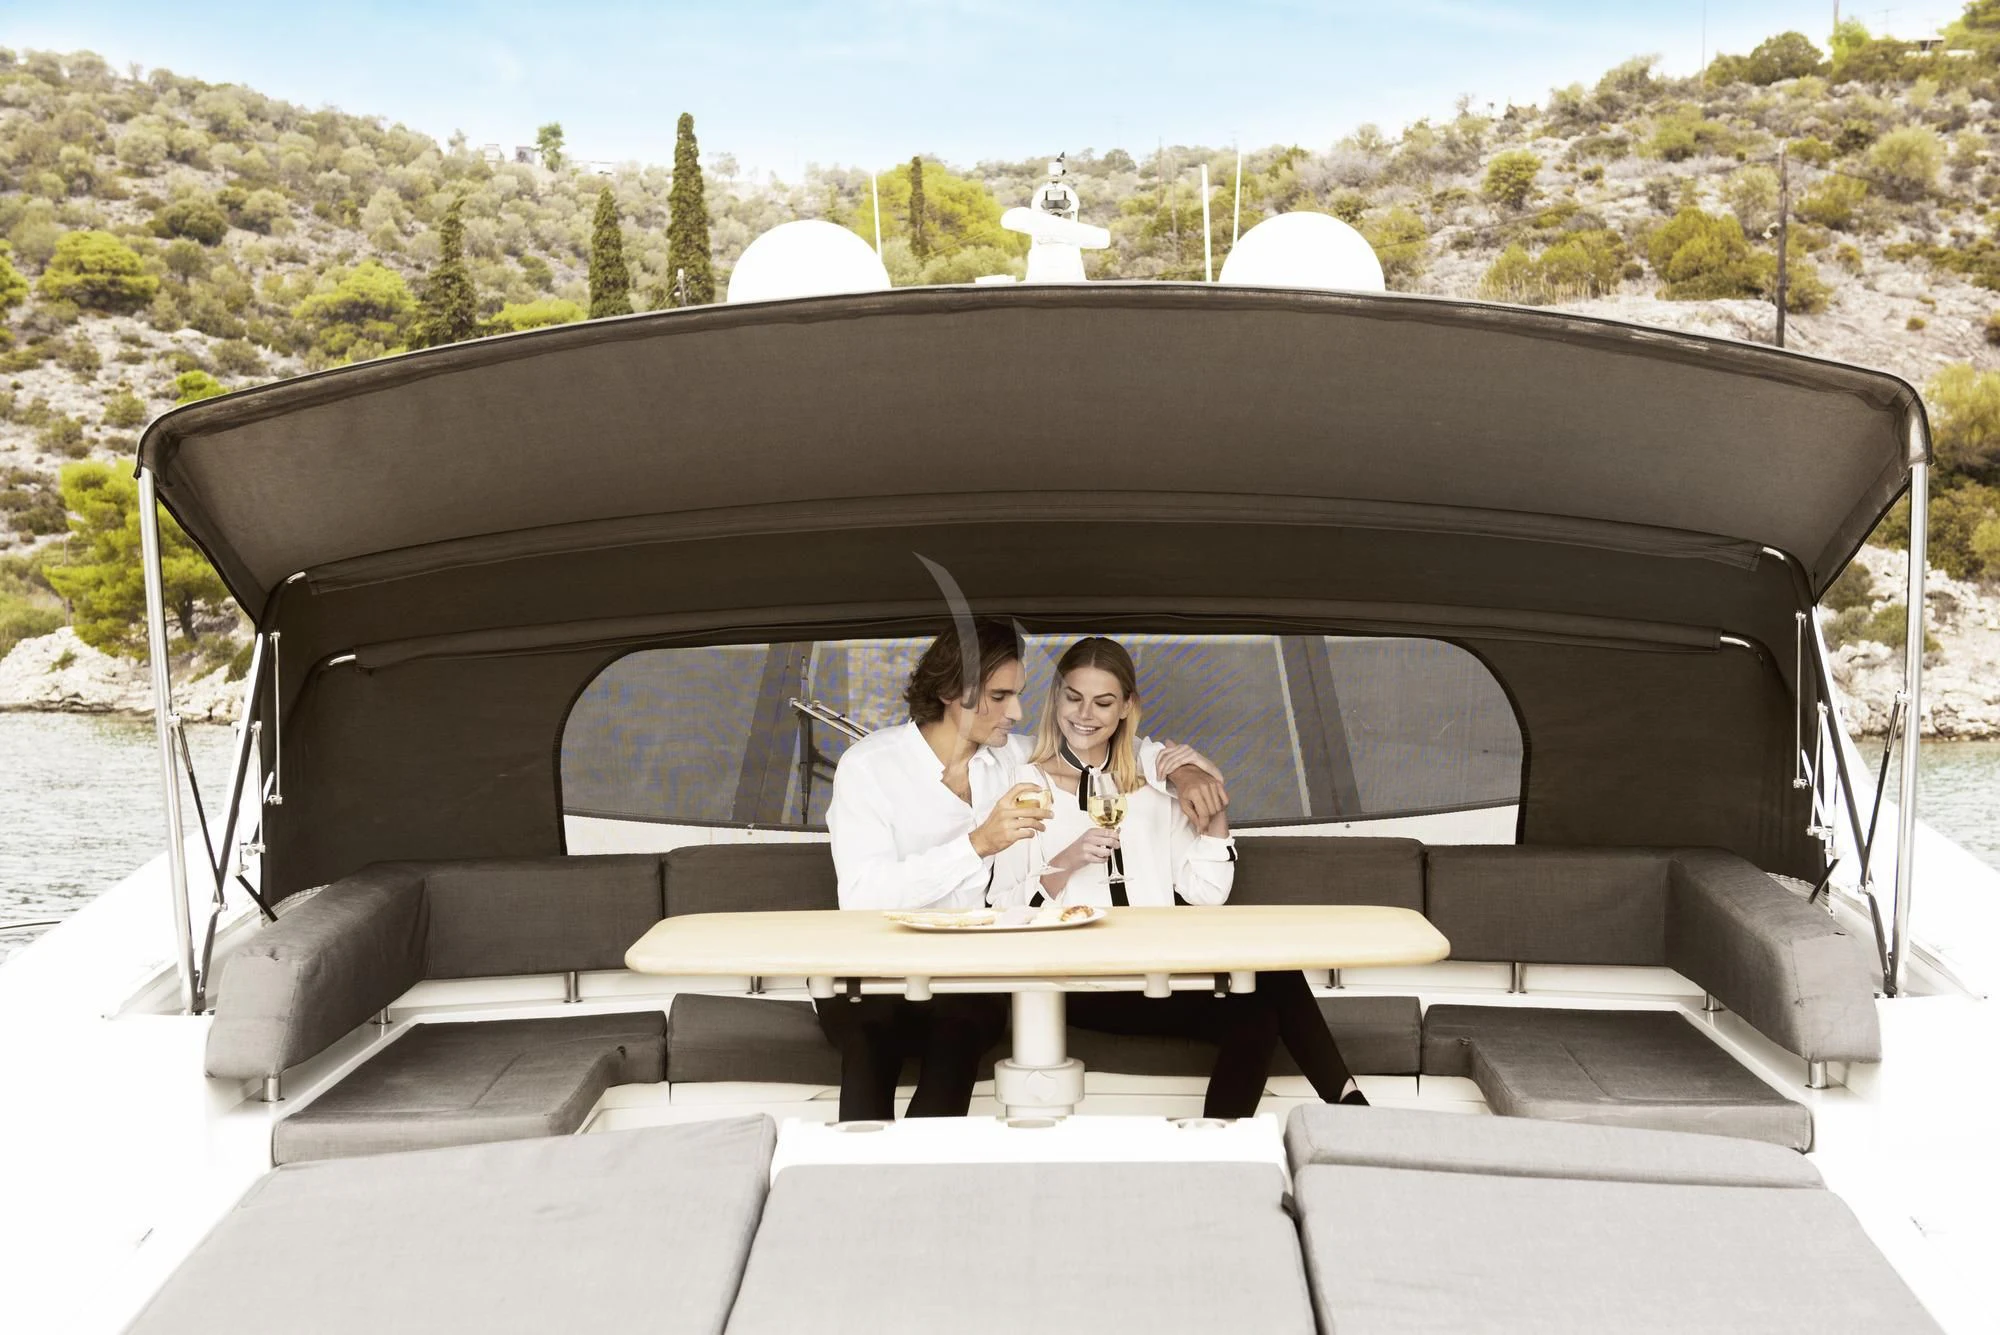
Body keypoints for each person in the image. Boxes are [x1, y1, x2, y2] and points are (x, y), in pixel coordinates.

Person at [823, 619, 1236, 1121]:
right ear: (952, 691)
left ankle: (925, 1166)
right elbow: (863, 899)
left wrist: (1188, 774)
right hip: (876, 967)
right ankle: (853, 1165)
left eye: (1017, 695)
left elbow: (1111, 747)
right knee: (871, 1035)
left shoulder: (1007, 757)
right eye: (1000, 697)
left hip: (967, 974)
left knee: (963, 1024)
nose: (1017, 712)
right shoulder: (869, 766)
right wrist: (977, 844)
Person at [990, 635, 1368, 1117]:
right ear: (1055, 698)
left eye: (1103, 702)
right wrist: (1064, 863)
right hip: (1075, 984)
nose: (1085, 714)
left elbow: (1206, 894)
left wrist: (1215, 815)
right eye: (1073, 697)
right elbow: (1001, 908)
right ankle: (1353, 1110)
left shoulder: (1154, 787)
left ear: (1127, 707)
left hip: (1155, 975)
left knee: (1263, 1000)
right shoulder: (1024, 785)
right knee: (1269, 993)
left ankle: (1229, 1139)